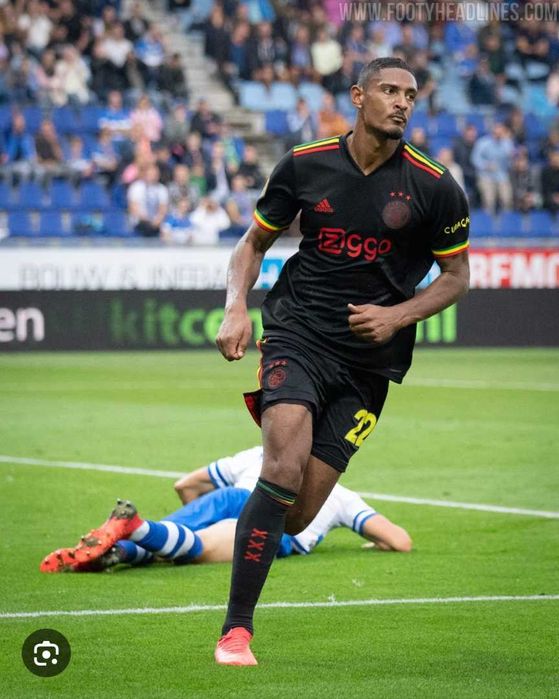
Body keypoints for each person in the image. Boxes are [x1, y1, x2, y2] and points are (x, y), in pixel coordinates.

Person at [214, 57, 470, 666]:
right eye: (389, 90)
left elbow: (457, 276)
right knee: (282, 467)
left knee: (298, 517)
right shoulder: (304, 165)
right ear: (358, 96)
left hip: (370, 364)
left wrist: (397, 316)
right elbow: (254, 243)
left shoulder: (435, 186)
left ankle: (253, 483)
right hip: (298, 333)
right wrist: (235, 307)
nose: (401, 102)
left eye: (410, 94)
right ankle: (235, 632)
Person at [39, 446, 411, 573]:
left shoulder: (259, 455)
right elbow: (400, 540)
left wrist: (200, 513)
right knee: (197, 548)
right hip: (274, 526)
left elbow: (185, 485)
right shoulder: (339, 495)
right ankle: (133, 529)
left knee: (179, 542)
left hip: (231, 497)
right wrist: (376, 542)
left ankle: (120, 549)